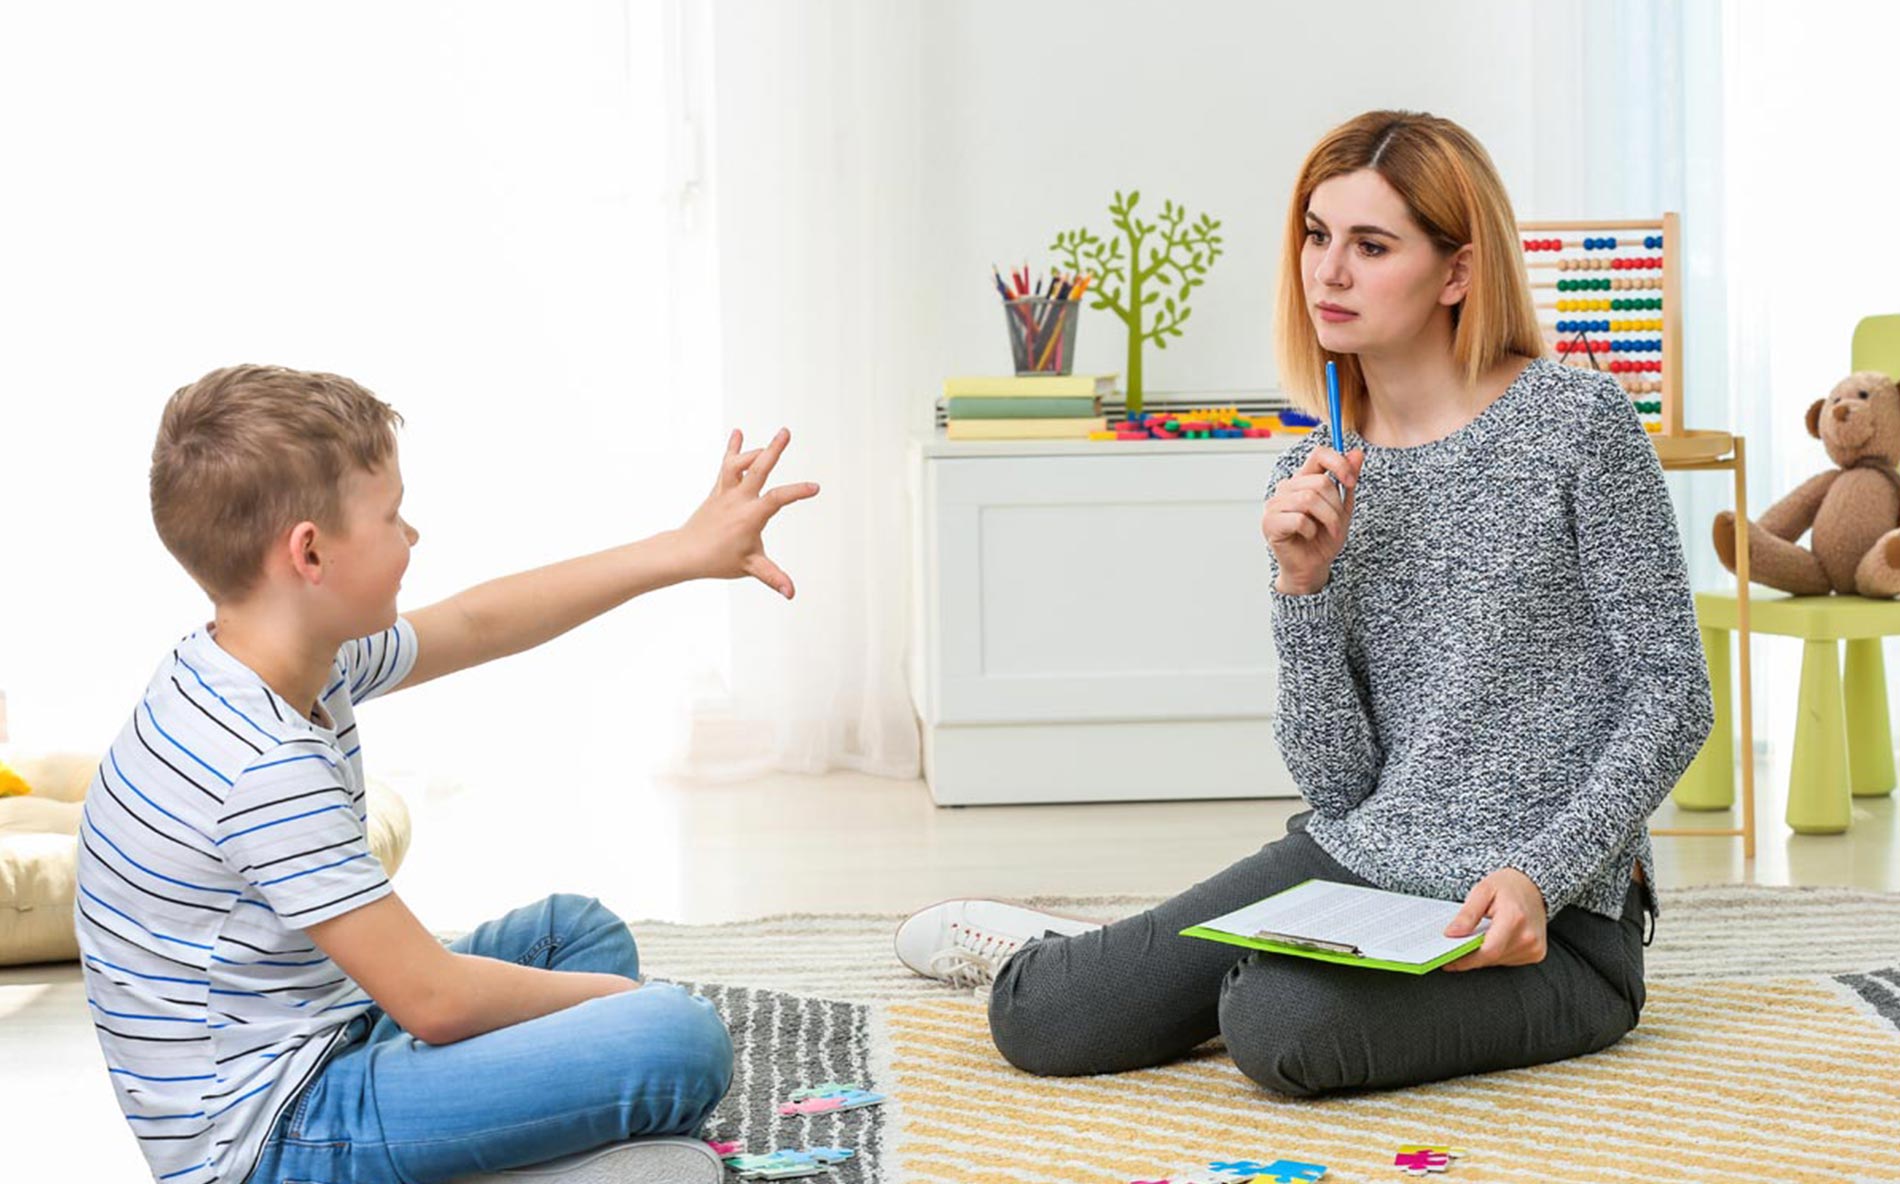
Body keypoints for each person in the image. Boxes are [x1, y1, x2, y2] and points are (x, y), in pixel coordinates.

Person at [894, 109, 1713, 1096]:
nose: (1327, 271)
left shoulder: (1577, 423)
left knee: (1275, 1017)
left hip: (1555, 925)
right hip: (1365, 861)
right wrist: (1302, 588)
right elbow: (1338, 783)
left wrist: (1540, 870)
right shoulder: (1317, 472)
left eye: (1371, 245)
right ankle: (1090, 954)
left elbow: (1673, 694)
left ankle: (1162, 962)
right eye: (1317, 236)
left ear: (1456, 271)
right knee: (1043, 1017)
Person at [75, 364, 818, 1182]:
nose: (413, 536)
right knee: (680, 1038)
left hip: (330, 1033)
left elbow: (476, 621)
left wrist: (683, 550)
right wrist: (621, 1006)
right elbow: (436, 1001)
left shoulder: (271, 656)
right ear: (311, 553)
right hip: (274, 1141)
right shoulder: (261, 763)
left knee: (575, 932)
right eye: (392, 516)